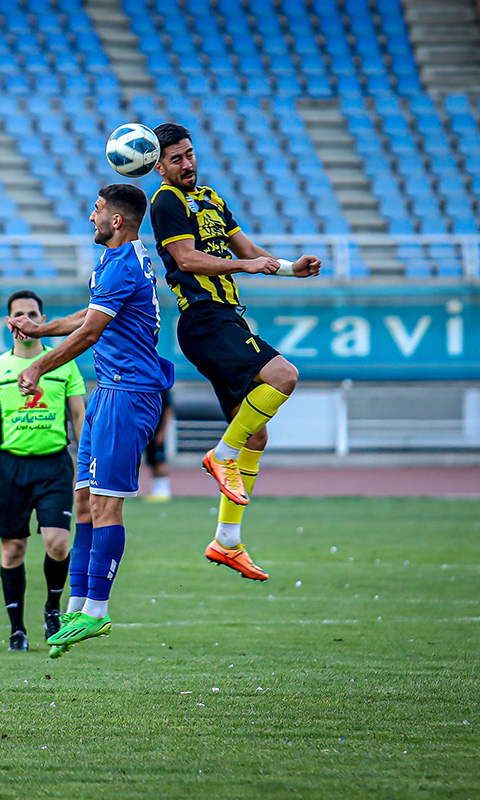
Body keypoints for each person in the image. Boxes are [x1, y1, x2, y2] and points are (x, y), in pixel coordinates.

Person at [150, 122, 321, 580]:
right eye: (176, 159)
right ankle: (222, 455)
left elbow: (248, 248)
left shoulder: (212, 199)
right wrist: (245, 265)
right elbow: (186, 259)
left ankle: (227, 541)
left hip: (226, 319)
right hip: (204, 320)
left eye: (189, 154)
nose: (187, 164)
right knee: (284, 375)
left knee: (255, 436)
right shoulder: (165, 201)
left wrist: (290, 269)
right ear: (159, 166)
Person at [11, 184, 174, 656]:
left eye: (97, 209)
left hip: (128, 393)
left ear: (117, 220)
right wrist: (42, 329)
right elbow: (90, 315)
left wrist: (38, 365)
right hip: (109, 390)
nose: (91, 216)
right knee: (83, 501)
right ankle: (78, 606)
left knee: (105, 506)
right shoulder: (117, 260)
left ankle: (97, 612)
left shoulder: (122, 264)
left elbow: (90, 333)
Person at [0, 290, 90, 652]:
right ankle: (17, 628)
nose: (25, 320)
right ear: (8, 322)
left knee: (58, 543)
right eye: (18, 314)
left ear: (43, 320)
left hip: (54, 464)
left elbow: (78, 415)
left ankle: (52, 608)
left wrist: (87, 464)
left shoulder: (64, 363)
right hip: (11, 467)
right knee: (13, 551)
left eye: (32, 314)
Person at [143, 389, 173, 502]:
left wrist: (162, 432)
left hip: (157, 430)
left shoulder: (164, 389)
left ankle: (164, 489)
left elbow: (168, 410)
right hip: (147, 431)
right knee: (151, 459)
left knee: (159, 458)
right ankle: (156, 489)